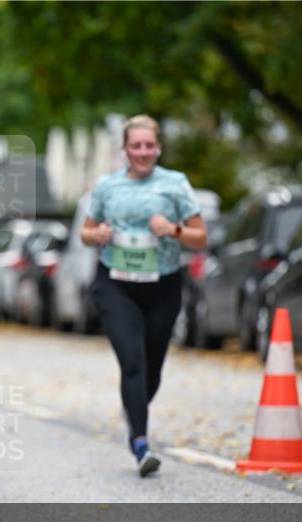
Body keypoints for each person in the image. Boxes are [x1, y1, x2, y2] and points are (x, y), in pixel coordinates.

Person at [81, 115, 208, 477]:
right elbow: (85, 233)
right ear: (125, 149)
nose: (142, 152)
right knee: (132, 362)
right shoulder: (107, 187)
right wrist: (99, 234)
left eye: (149, 145)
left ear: (158, 148)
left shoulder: (175, 184)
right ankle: (140, 442)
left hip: (163, 284)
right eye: (135, 146)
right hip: (116, 284)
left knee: (151, 370)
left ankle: (133, 406)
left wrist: (174, 229)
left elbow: (201, 236)